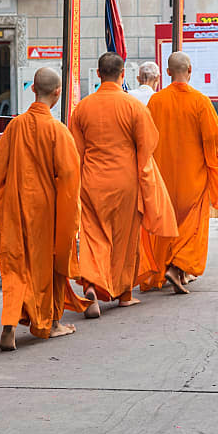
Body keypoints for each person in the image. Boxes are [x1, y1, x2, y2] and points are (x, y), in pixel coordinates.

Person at [0, 67, 88, 351]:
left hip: (16, 206)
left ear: (33, 89)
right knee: (46, 268)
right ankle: (49, 323)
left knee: (17, 267)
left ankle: (9, 324)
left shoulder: (14, 126)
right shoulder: (57, 130)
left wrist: (1, 209)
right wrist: (70, 218)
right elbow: (69, 178)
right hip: (46, 209)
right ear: (58, 92)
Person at [69, 53, 177, 317]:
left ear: (97, 74)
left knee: (94, 237)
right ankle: (124, 294)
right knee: (125, 240)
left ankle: (93, 285)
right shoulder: (133, 106)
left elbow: (76, 151)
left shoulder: (82, 108)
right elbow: (148, 144)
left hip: (92, 180)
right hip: (126, 181)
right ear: (122, 75)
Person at [141, 52, 218, 294]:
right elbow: (214, 139)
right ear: (190, 70)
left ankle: (174, 269)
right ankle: (177, 268)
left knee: (167, 221)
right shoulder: (200, 101)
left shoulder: (155, 102)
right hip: (192, 175)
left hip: (163, 175)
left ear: (167, 72)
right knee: (191, 223)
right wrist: (214, 160)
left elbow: (146, 139)